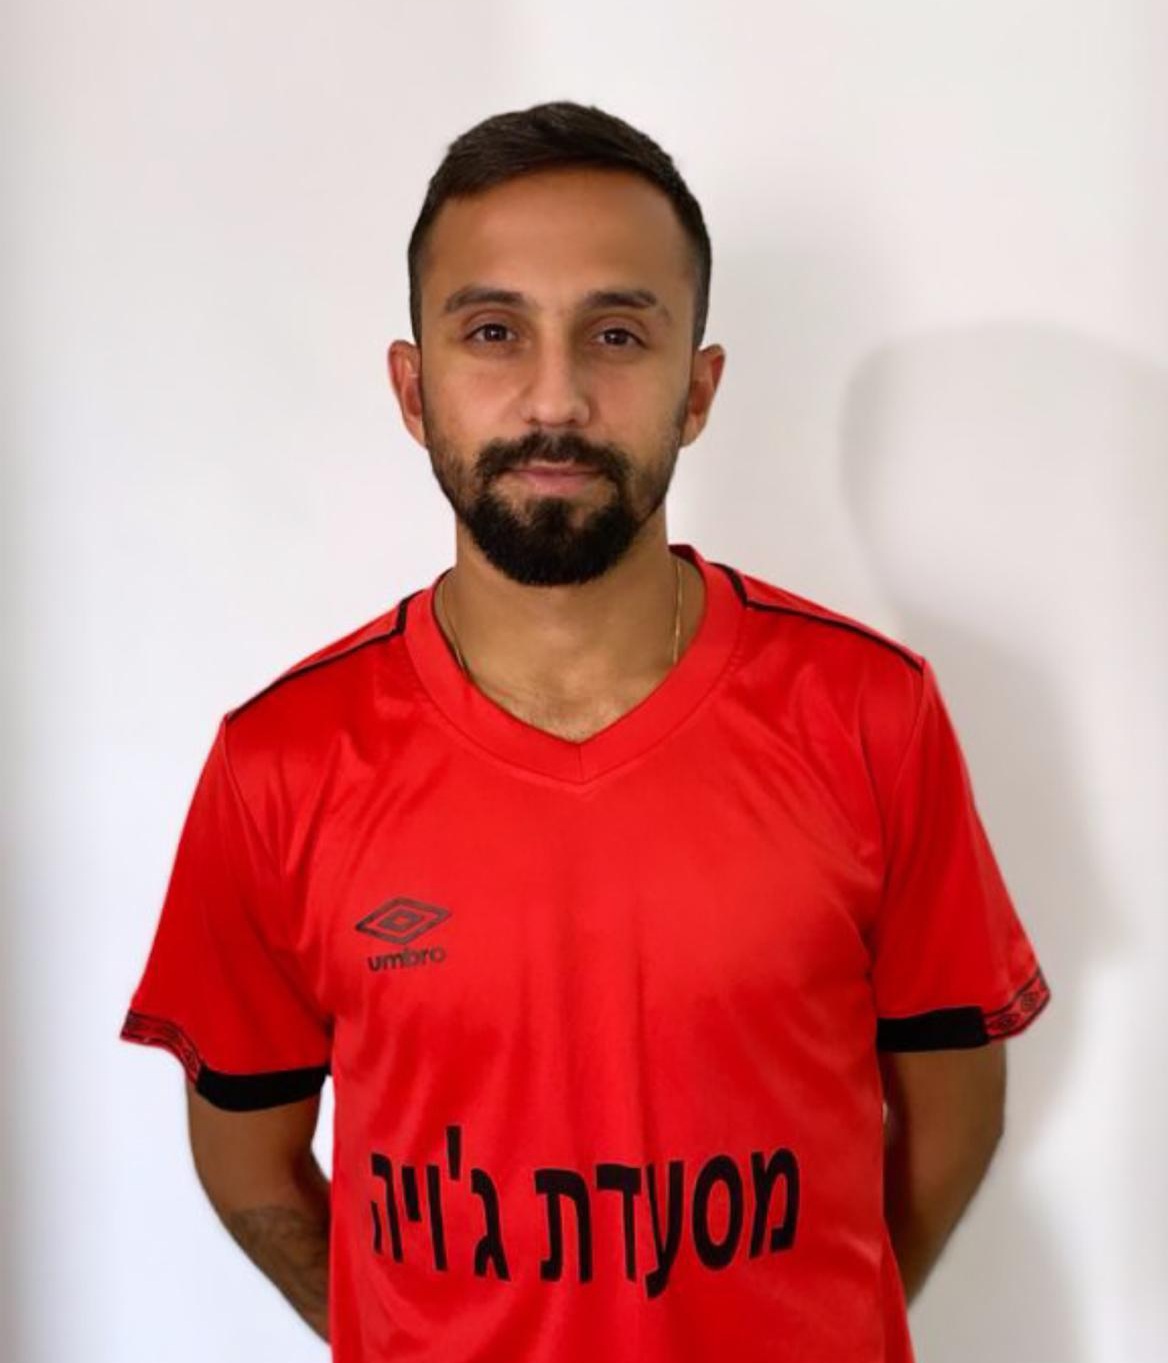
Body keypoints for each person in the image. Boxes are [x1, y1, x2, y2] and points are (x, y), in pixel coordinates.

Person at [119, 100, 1051, 1363]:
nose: (554, 396)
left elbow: (952, 1115)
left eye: (616, 333)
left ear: (697, 389)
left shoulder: (868, 713)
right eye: (492, 331)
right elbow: (247, 1158)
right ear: (412, 388)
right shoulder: (281, 763)